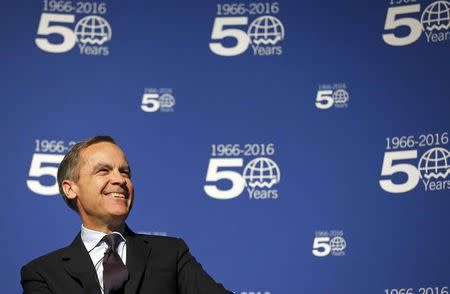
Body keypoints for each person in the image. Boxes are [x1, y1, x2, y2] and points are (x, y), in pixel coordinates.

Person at [21, 136, 232, 294]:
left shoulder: (171, 253)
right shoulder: (43, 273)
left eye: (125, 172)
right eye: (103, 171)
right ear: (70, 188)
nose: (120, 180)